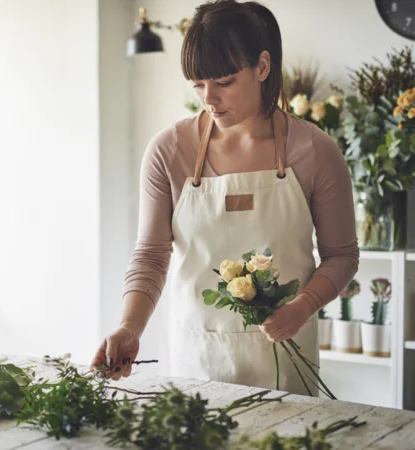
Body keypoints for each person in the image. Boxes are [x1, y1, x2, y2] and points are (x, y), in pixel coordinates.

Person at [90, 0, 358, 395]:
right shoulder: (169, 150)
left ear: (262, 67)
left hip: (285, 360)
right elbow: (150, 254)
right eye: (198, 85)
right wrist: (130, 327)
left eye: (224, 82)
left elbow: (342, 256)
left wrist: (302, 307)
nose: (209, 99)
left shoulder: (315, 150)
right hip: (197, 358)